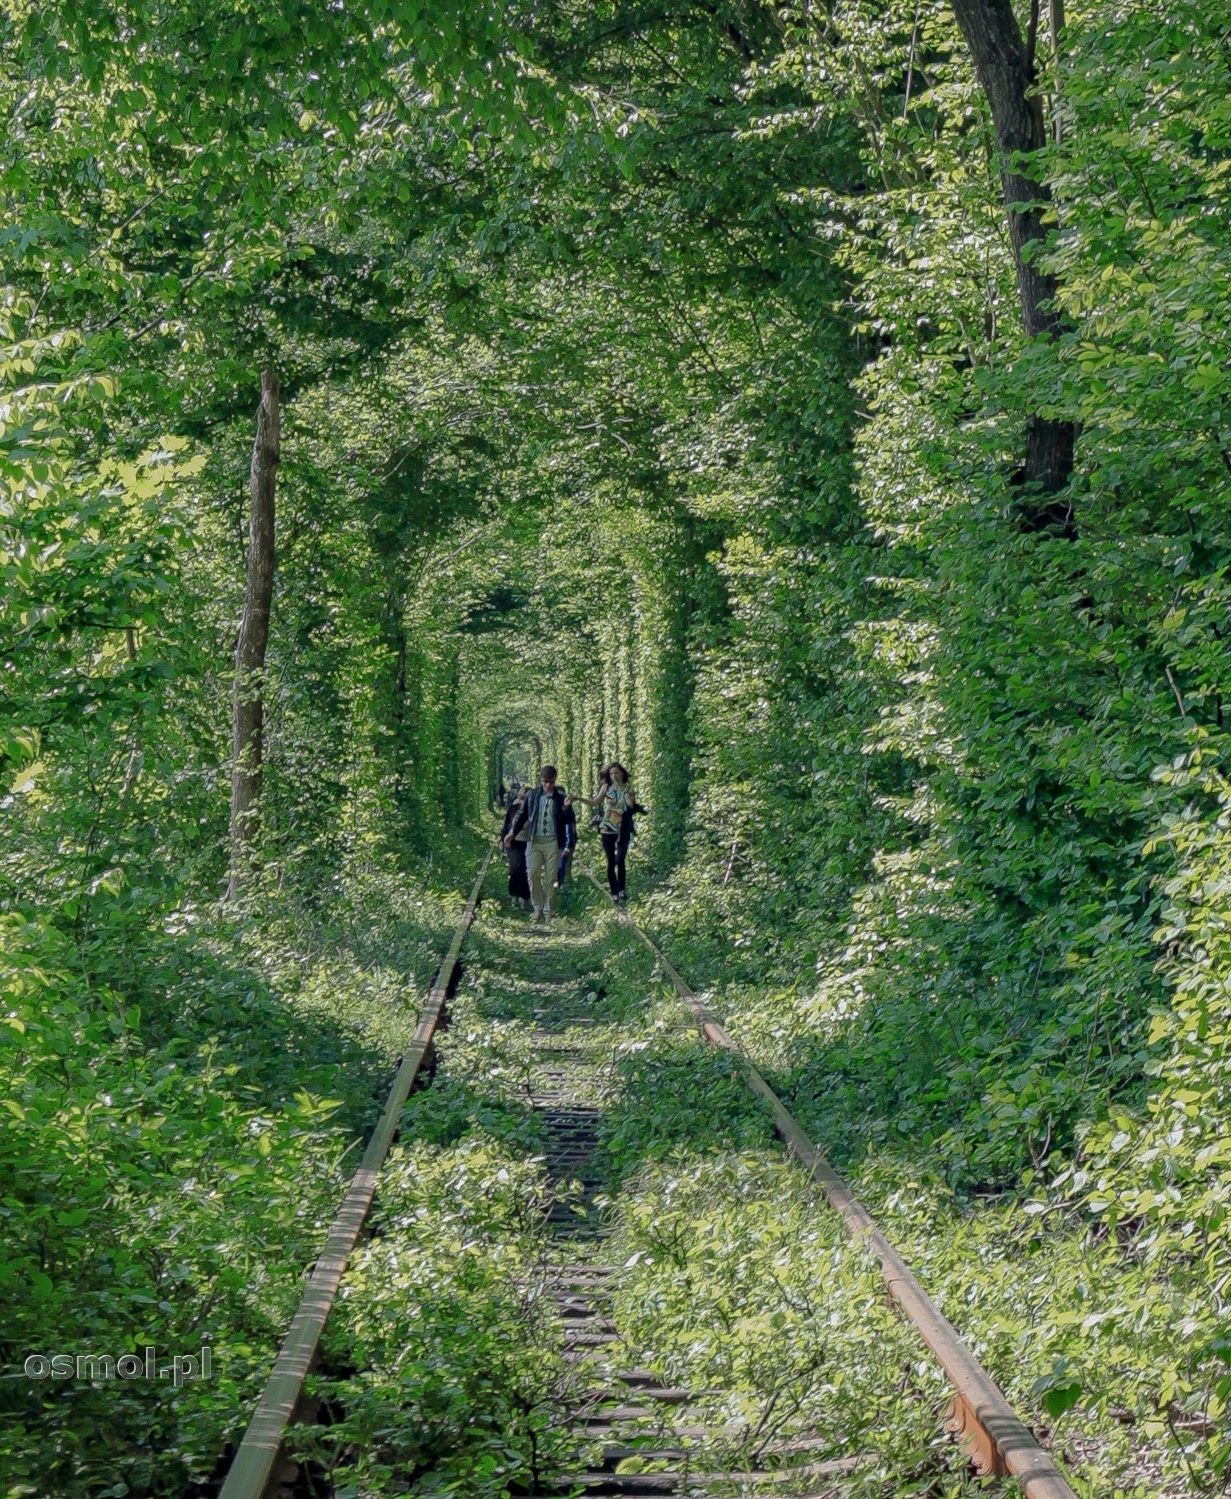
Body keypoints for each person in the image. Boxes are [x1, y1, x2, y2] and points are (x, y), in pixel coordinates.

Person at [504, 765, 569, 923]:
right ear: (541, 781)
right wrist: (512, 832)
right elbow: (522, 815)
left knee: (551, 878)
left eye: (551, 782)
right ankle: (537, 907)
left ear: (555, 780)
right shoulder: (533, 795)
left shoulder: (560, 798)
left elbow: (566, 820)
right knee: (532, 874)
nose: (548, 785)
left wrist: (567, 807)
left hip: (552, 843)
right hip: (534, 841)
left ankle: (549, 911)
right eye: (546, 782)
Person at [579, 762, 637, 904]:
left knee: (620, 859)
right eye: (611, 773)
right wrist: (578, 798)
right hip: (608, 827)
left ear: (622, 774)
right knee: (611, 861)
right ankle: (614, 892)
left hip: (623, 827)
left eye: (616, 773)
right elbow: (594, 802)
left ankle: (622, 889)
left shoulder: (628, 789)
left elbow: (631, 807)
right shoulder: (606, 788)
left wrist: (630, 802)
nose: (614, 775)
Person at [500, 787, 530, 908]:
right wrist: (502, 840)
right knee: (515, 868)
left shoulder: (534, 811)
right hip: (513, 843)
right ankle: (515, 895)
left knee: (525, 870)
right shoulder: (513, 809)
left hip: (528, 843)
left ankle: (524, 897)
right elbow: (506, 825)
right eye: (524, 799)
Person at [557, 792, 577, 888]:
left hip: (566, 844)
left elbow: (569, 829)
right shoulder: (562, 811)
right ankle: (562, 888)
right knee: (562, 867)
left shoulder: (567, 812)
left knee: (564, 868)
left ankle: (566, 889)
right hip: (563, 843)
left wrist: (568, 846)